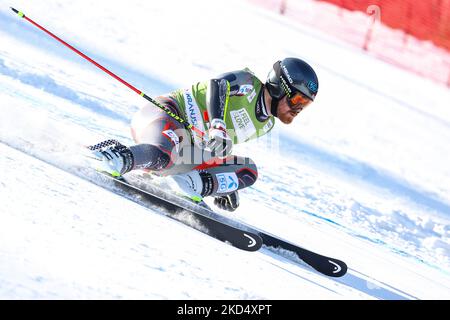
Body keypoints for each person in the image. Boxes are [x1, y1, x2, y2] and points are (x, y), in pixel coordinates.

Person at [89, 57, 319, 211]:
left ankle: (193, 185)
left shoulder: (267, 124)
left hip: (188, 149)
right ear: (280, 86)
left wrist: (220, 181)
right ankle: (116, 158)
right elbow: (217, 84)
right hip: (165, 115)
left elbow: (216, 147)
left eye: (305, 104)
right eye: (297, 99)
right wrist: (216, 124)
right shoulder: (248, 83)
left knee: (248, 171)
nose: (298, 109)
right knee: (164, 153)